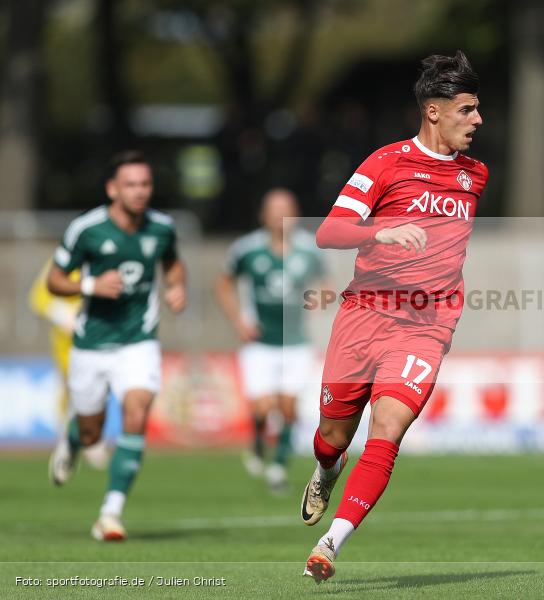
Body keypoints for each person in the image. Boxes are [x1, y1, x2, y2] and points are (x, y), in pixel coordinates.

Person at [300, 50, 488, 582]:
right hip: (364, 316)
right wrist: (377, 231)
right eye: (468, 110)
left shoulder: (476, 175)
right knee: (333, 436)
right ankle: (325, 471)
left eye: (478, 110)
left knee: (388, 428)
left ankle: (330, 544)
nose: (478, 121)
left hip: (428, 324)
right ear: (434, 111)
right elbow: (328, 232)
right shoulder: (384, 164)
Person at [46, 150, 187, 541]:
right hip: (91, 345)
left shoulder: (162, 227)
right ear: (112, 188)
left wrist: (177, 287)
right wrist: (91, 285)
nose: (140, 191)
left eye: (145, 184)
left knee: (137, 412)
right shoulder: (86, 229)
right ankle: (74, 440)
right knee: (92, 433)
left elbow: (173, 264)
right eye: (131, 184)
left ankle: (110, 512)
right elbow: (54, 281)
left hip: (138, 341)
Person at [215, 188, 329, 491]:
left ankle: (278, 468)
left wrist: (320, 298)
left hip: (296, 342)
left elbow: (326, 284)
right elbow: (223, 285)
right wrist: (239, 320)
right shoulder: (247, 249)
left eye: (286, 209)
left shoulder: (310, 249)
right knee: (263, 409)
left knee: (289, 407)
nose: (281, 216)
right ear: (263, 215)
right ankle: (256, 441)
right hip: (259, 344)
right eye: (274, 209)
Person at [30, 260, 109, 470]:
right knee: (72, 389)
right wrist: (65, 315)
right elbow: (38, 297)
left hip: (100, 340)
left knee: (100, 388)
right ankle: (68, 442)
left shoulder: (105, 260)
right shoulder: (62, 262)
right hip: (68, 345)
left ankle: (90, 437)